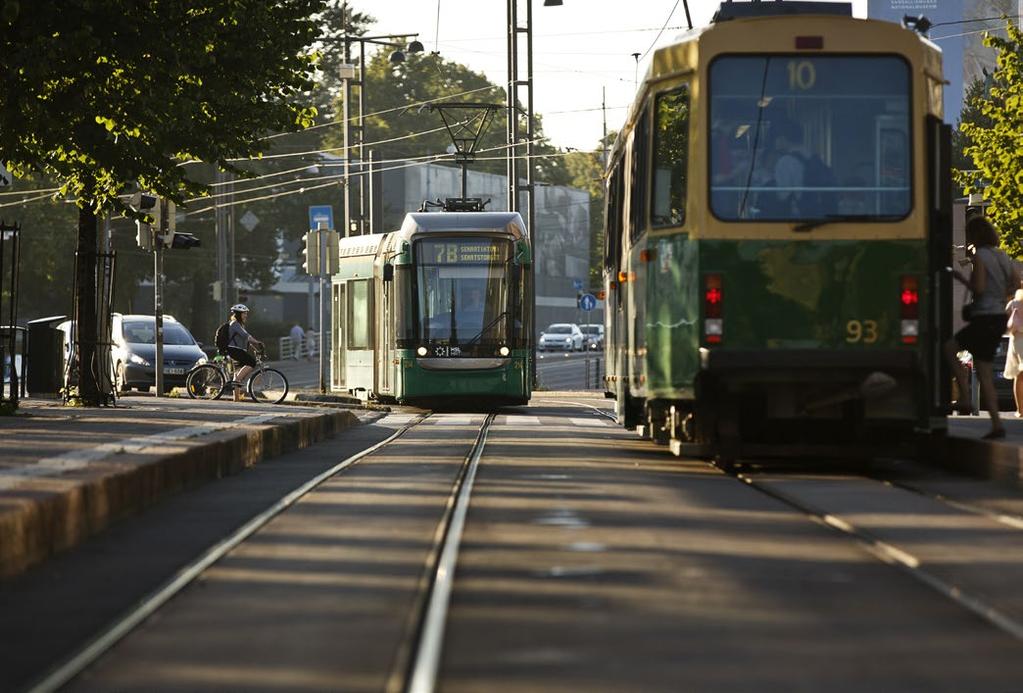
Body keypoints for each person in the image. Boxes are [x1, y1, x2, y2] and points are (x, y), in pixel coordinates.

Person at [946, 216, 1020, 438]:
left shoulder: (980, 256)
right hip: (998, 318)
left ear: (974, 236)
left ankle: (965, 398)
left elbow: (978, 288)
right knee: (985, 371)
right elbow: (1016, 283)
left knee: (949, 348)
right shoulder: (1002, 256)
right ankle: (997, 424)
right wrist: (1000, 296)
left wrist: (961, 278)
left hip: (983, 317)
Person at [226, 304, 264, 401]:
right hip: (234, 350)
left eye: (246, 313)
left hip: (238, 350)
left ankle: (236, 399)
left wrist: (256, 348)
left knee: (238, 372)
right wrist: (258, 342)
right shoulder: (235, 324)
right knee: (251, 362)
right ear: (238, 314)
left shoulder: (239, 325)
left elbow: (246, 340)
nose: (246, 315)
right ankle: (236, 381)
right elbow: (246, 336)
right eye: (244, 313)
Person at [1004, 288, 1023, 416]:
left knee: (1019, 376)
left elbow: (1003, 322)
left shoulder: (1013, 303)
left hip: (1016, 341)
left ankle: (1020, 409)